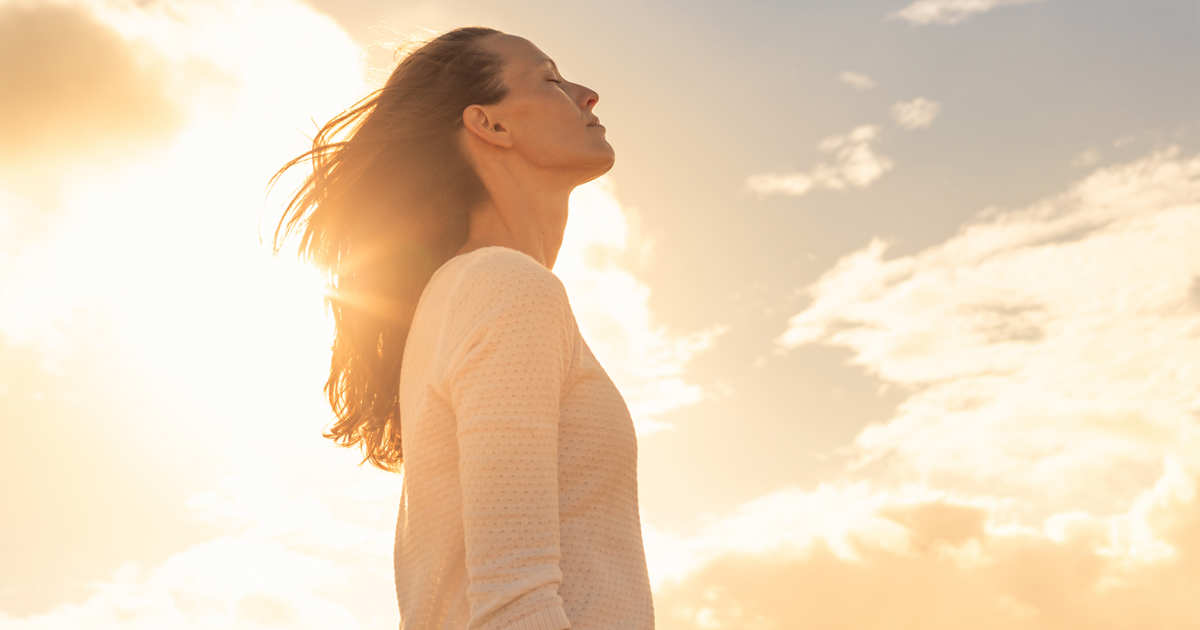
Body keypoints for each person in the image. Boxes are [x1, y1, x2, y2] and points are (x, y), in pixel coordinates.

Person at [267, 27, 654, 629]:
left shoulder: (465, 293)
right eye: (550, 79)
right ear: (489, 125)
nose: (588, 94)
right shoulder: (505, 287)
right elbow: (511, 605)